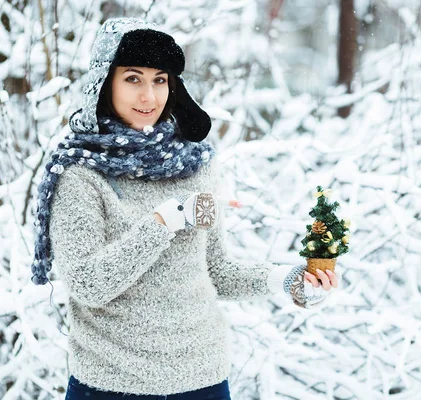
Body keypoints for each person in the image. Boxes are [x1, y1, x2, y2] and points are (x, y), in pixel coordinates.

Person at [30, 18, 340, 400]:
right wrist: (166, 219)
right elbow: (89, 285)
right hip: (112, 385)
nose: (149, 96)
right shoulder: (81, 174)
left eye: (160, 80)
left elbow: (217, 272)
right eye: (132, 79)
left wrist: (289, 280)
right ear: (105, 82)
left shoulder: (192, 166)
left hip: (203, 381)